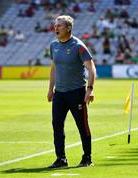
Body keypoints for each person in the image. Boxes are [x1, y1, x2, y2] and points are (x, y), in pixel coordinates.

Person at [47, 15, 96, 168]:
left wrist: (90, 89)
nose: (56, 28)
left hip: (76, 93)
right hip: (59, 94)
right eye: (55, 25)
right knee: (57, 124)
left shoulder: (78, 46)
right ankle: (61, 159)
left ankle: (87, 157)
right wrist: (50, 89)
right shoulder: (53, 45)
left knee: (82, 126)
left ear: (68, 28)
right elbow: (54, 68)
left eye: (59, 26)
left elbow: (91, 68)